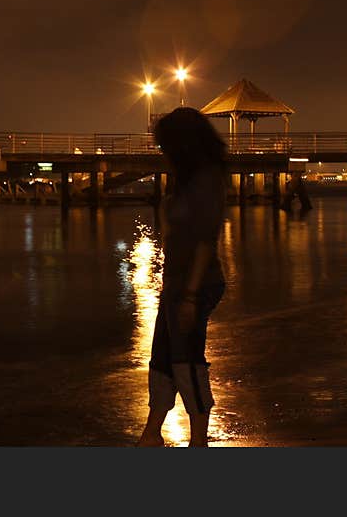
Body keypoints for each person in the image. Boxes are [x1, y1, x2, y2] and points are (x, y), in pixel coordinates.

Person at [138, 107, 227, 447]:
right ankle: (151, 433)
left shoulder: (207, 179)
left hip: (197, 284)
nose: (163, 153)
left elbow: (206, 240)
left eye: (166, 146)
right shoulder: (188, 178)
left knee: (187, 359)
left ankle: (199, 441)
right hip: (176, 284)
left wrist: (189, 296)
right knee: (162, 357)